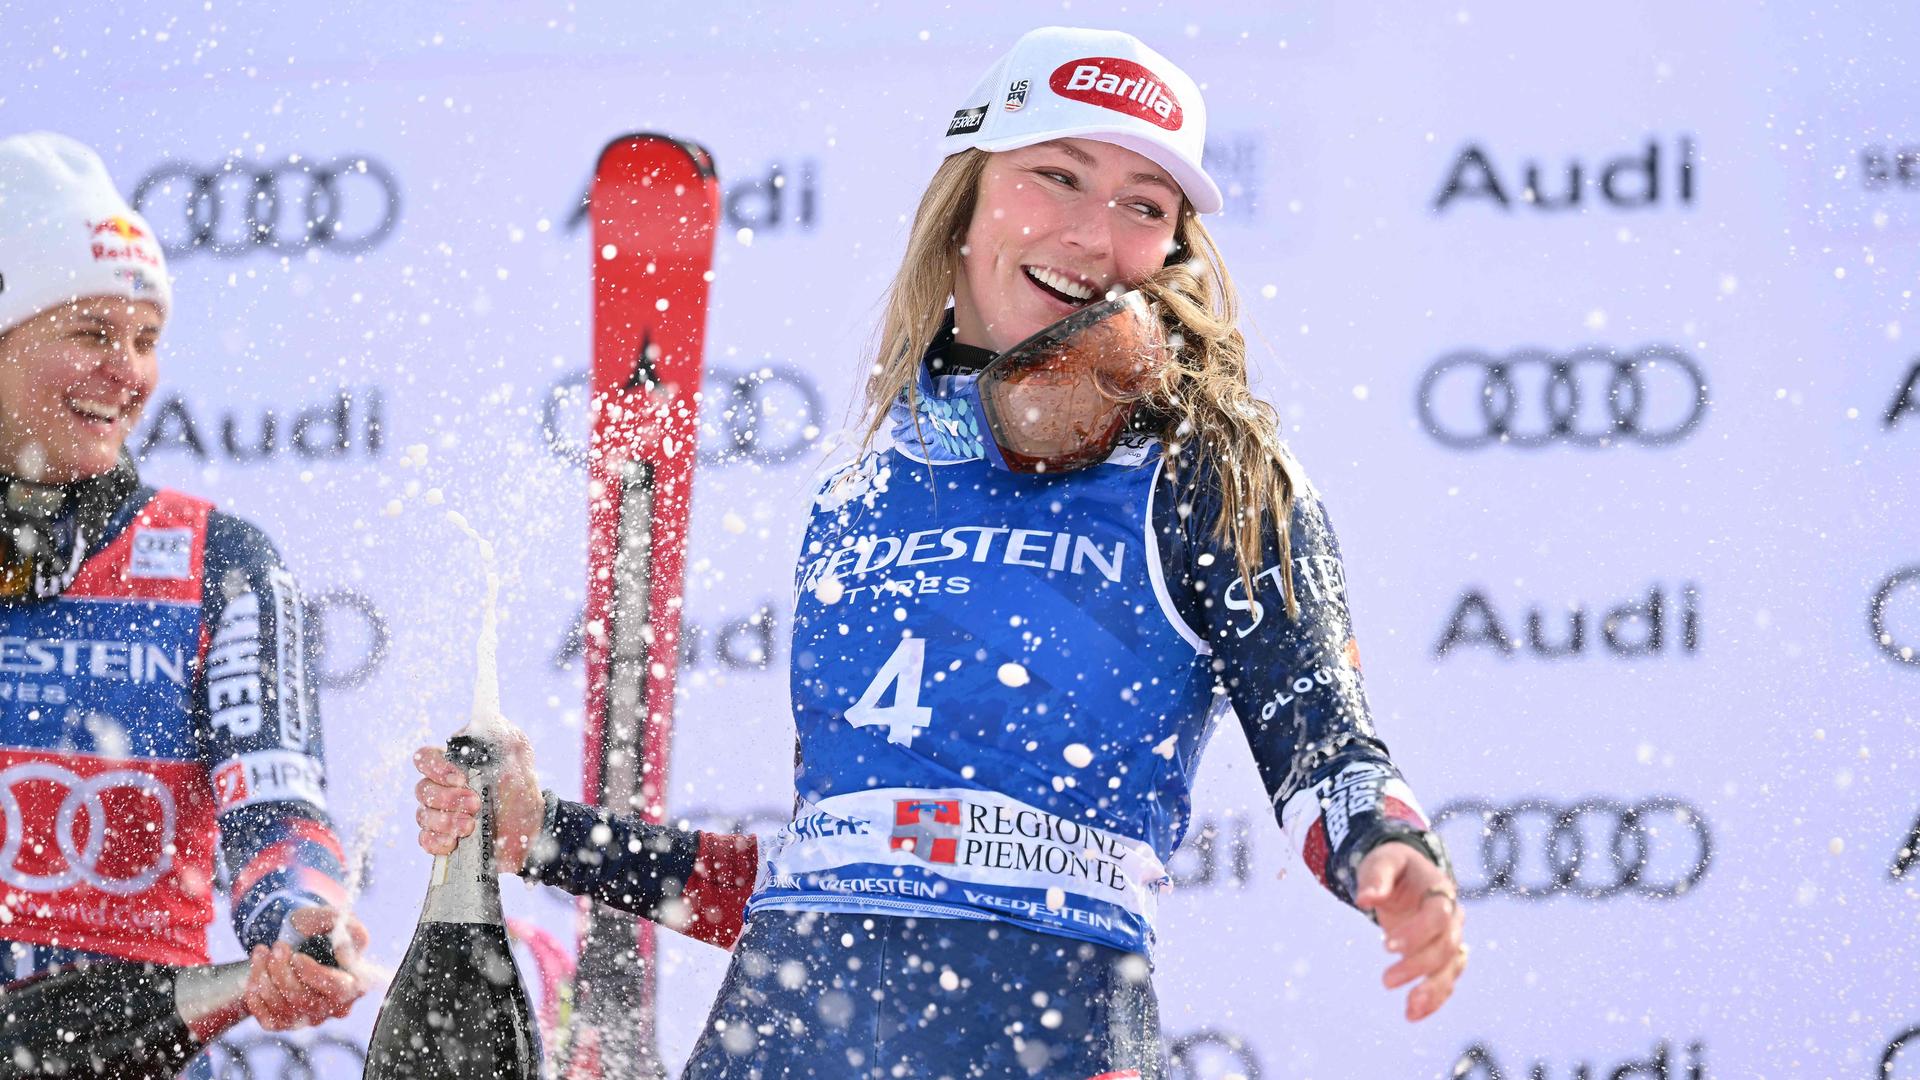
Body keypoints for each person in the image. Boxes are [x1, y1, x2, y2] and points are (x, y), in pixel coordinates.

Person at [414, 26, 1466, 1078]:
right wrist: (550, 834)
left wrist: (1393, 854)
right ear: (965, 203)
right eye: (1056, 175)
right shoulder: (860, 491)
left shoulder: (1212, 479)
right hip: (780, 1046)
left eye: (1144, 205)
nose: (1095, 236)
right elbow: (829, 870)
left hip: (1046, 1040)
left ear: (1173, 250)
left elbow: (1328, 751)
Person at [0, 132, 368, 1071]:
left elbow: (276, 809)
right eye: (90, 333)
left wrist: (297, 919)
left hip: (131, 1043)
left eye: (145, 340)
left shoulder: (218, 563)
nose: (128, 374)